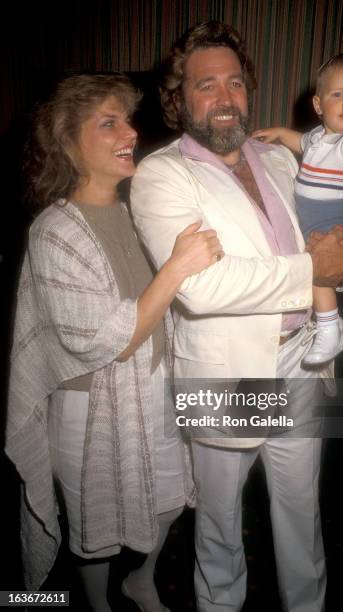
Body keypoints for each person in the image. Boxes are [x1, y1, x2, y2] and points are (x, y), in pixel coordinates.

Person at [131, 21, 343, 612]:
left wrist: (339, 265)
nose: (225, 97)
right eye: (206, 85)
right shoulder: (162, 175)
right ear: (179, 98)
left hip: (299, 358)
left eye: (234, 82)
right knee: (218, 523)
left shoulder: (280, 159)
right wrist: (314, 269)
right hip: (222, 374)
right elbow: (201, 287)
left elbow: (317, 240)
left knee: (300, 513)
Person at [6, 73, 223, 612]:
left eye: (127, 119)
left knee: (171, 498)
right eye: (108, 122)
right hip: (89, 406)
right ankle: (98, 601)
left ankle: (141, 579)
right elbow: (111, 340)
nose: (129, 131)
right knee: (95, 524)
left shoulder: (135, 211)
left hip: (155, 386)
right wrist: (176, 267)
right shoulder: (53, 232)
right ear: (67, 143)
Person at [253, 53, 343, 365]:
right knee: (313, 271)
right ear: (318, 105)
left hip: (333, 219)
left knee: (317, 272)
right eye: (337, 95)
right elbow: (301, 143)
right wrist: (280, 134)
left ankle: (329, 331)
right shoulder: (318, 137)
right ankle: (330, 321)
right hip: (315, 219)